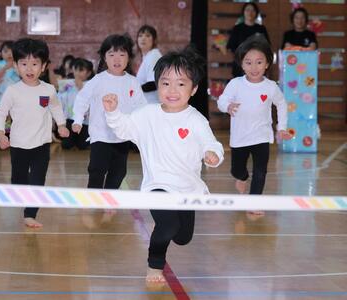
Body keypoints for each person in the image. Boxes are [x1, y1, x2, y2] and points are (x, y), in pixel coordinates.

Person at [102, 47, 224, 284]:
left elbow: (213, 145)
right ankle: (154, 265)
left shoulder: (197, 120)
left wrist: (212, 154)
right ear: (157, 85)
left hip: (188, 190)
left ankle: (171, 237)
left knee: (183, 236)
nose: (172, 90)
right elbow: (124, 128)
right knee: (167, 225)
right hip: (157, 186)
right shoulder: (146, 114)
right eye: (166, 83)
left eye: (181, 84)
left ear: (194, 89)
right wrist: (113, 112)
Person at [0, 38, 69, 228]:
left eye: (35, 64)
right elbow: (0, 113)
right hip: (18, 144)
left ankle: (30, 214)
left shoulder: (49, 90)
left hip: (42, 144)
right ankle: (23, 194)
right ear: (16, 67)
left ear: (43, 66)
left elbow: (56, 108)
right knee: (18, 180)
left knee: (37, 180)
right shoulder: (13, 91)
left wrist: (61, 125)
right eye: (24, 64)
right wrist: (0, 133)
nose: (29, 69)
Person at [218, 35, 290, 216]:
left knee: (260, 171)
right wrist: (228, 106)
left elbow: (281, 104)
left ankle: (254, 201)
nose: (254, 67)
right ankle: (241, 178)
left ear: (267, 64)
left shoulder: (271, 87)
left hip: (262, 136)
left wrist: (281, 127)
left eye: (259, 62)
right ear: (242, 65)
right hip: (240, 137)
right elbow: (222, 100)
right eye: (248, 62)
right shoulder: (236, 84)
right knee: (237, 169)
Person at [72, 34, 146, 191]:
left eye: (122, 54)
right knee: (97, 170)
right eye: (112, 55)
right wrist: (78, 119)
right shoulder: (98, 80)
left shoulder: (132, 82)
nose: (117, 59)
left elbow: (141, 107)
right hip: (100, 135)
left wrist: (141, 129)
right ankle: (93, 197)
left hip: (122, 136)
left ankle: (109, 197)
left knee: (119, 172)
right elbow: (81, 99)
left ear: (128, 58)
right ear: (105, 58)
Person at [58, 58, 94, 150]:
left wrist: (81, 86)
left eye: (81, 70)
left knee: (83, 145)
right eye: (76, 70)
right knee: (66, 145)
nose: (77, 73)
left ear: (89, 73)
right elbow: (60, 95)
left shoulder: (91, 84)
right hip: (70, 119)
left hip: (85, 121)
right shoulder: (68, 84)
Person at [226, 2, 270, 78]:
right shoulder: (237, 28)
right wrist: (241, 59)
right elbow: (231, 47)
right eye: (247, 10)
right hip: (240, 65)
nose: (250, 12)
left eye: (253, 10)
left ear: (256, 13)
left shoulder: (261, 29)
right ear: (243, 12)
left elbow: (267, 46)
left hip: (257, 65)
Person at [136, 25, 162, 104]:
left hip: (152, 104)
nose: (143, 38)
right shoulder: (148, 56)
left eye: (147, 36)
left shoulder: (153, 56)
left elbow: (153, 84)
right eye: (140, 36)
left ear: (154, 40)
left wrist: (133, 89)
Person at [0, 41, 21, 105]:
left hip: (17, 98)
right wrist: (4, 68)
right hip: (0, 97)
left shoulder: (20, 64)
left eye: (12, 51)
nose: (9, 54)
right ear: (1, 53)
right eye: (6, 51)